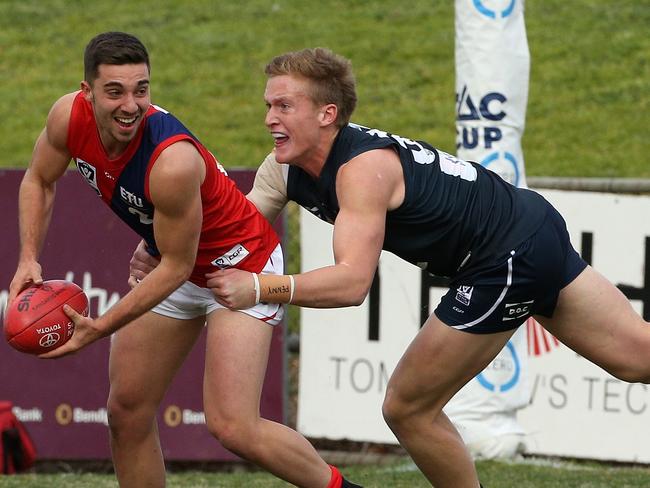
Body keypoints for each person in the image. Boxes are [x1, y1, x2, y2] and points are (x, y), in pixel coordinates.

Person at [132, 46, 650, 487]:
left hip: (504, 254)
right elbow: (236, 236)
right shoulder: (285, 169)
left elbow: (352, 283)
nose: (270, 117)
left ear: (327, 114)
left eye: (285, 105)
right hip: (528, 226)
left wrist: (263, 287)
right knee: (637, 359)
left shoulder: (361, 170)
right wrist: (162, 248)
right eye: (269, 104)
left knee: (407, 407)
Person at [7, 34, 361, 488]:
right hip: (176, 260)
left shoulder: (172, 160)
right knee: (126, 411)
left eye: (142, 89)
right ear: (86, 91)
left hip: (240, 264)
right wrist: (28, 259)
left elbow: (176, 265)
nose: (130, 105)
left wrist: (100, 326)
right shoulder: (67, 117)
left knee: (233, 427)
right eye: (115, 91)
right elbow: (39, 179)